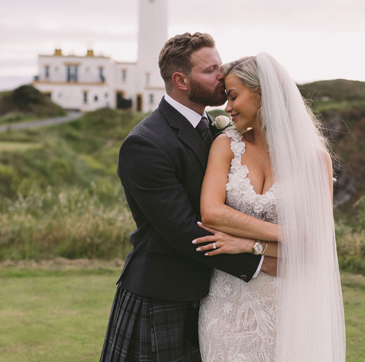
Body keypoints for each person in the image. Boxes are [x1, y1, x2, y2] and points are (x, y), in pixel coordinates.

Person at [99, 33, 277, 362]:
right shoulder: (145, 144)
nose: (221, 77)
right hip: (161, 293)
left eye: (220, 67)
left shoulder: (219, 129)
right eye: (210, 71)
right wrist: (263, 261)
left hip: (211, 294)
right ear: (181, 80)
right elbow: (183, 229)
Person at [193, 54, 346, 361]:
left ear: (262, 93)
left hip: (287, 306)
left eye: (233, 96)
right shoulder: (225, 146)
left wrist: (250, 245)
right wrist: (290, 235)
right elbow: (211, 213)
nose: (227, 108)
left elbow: (314, 248)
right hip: (226, 305)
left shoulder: (315, 161)